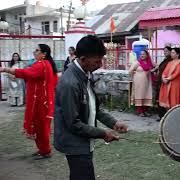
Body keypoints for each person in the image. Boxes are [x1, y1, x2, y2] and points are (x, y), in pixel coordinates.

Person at [54, 35, 128, 180]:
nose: (100, 64)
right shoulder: (70, 83)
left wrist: (113, 123)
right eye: (97, 61)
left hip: (84, 142)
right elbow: (73, 124)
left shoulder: (86, 74)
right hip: (75, 144)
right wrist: (103, 133)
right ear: (82, 59)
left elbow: (94, 107)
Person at [0, 44, 58, 159]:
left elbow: (25, 73)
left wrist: (5, 69)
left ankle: (46, 151)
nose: (34, 52)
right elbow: (29, 74)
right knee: (38, 126)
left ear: (44, 54)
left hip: (41, 103)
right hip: (40, 101)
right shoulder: (44, 64)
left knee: (41, 127)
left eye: (37, 50)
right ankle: (42, 149)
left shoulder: (42, 65)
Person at [129, 50, 156, 117]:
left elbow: (156, 66)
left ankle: (145, 111)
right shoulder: (137, 63)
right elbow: (130, 71)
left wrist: (152, 69)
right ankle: (140, 111)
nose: (142, 55)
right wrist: (134, 76)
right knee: (139, 95)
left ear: (147, 55)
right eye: (141, 54)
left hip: (147, 82)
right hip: (138, 83)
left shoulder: (149, 63)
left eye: (144, 54)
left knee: (146, 95)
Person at [155, 46, 172, 121]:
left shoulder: (171, 61)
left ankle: (164, 115)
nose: (165, 52)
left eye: (166, 51)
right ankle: (160, 115)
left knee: (164, 99)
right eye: (164, 51)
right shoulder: (165, 60)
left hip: (165, 82)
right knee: (159, 98)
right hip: (159, 82)